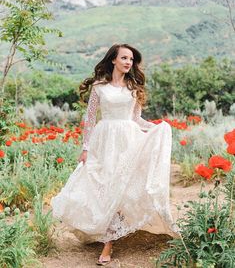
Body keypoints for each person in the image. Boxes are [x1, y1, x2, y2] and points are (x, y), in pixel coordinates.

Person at [51, 43, 178, 266]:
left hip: (128, 139)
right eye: (125, 58)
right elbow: (90, 119)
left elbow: (136, 119)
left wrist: (156, 128)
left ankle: (108, 243)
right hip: (104, 140)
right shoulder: (99, 87)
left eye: (131, 59)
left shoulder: (133, 87)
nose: (129, 62)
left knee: (121, 187)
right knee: (104, 186)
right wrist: (86, 147)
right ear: (113, 60)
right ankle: (102, 233)